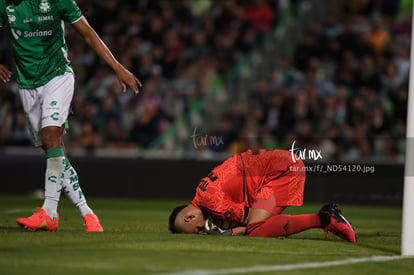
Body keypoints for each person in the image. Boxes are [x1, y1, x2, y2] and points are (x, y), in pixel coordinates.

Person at [0, 0, 142, 232]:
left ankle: (49, 212)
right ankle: (87, 213)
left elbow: (87, 33)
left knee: (50, 138)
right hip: (27, 84)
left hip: (58, 76)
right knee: (54, 150)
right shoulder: (5, 4)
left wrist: (118, 67)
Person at [169, 149, 357, 242]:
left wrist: (234, 231)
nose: (202, 231)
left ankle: (325, 219)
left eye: (196, 230)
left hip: (282, 169)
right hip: (277, 166)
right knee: (255, 225)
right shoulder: (202, 192)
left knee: (255, 229)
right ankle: (325, 218)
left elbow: (248, 222)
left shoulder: (211, 202)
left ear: (190, 216)